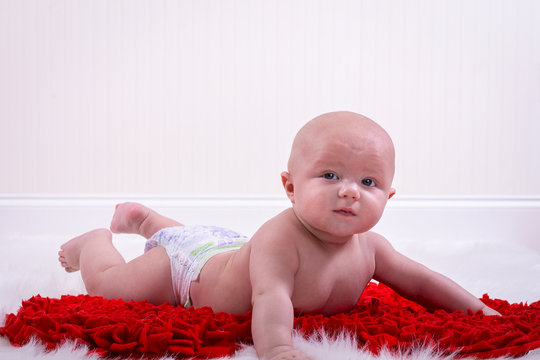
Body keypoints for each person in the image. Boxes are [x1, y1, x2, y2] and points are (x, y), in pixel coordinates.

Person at [58, 111, 499, 360]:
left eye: (369, 183)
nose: (349, 191)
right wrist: (278, 349)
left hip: (221, 244)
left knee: (194, 237)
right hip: (187, 271)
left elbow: (420, 281)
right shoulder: (280, 239)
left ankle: (147, 222)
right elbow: (270, 298)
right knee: (111, 288)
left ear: (390, 195)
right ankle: (95, 242)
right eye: (330, 175)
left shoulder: (371, 248)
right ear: (290, 187)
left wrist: (478, 311)